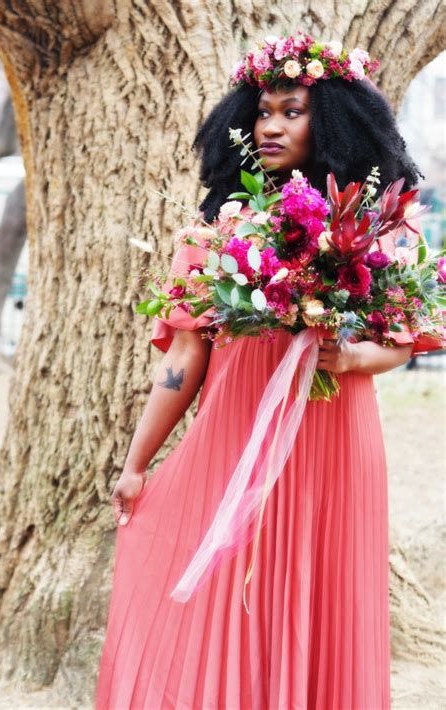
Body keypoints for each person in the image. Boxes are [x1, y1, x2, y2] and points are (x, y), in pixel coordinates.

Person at [96, 34, 425, 709]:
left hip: (333, 440)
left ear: (332, 118)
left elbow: (403, 341)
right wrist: (136, 466)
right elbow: (184, 360)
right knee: (226, 591)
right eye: (262, 111)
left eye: (291, 110)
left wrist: (353, 356)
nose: (269, 125)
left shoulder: (379, 225)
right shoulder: (217, 229)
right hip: (233, 436)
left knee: (318, 586)